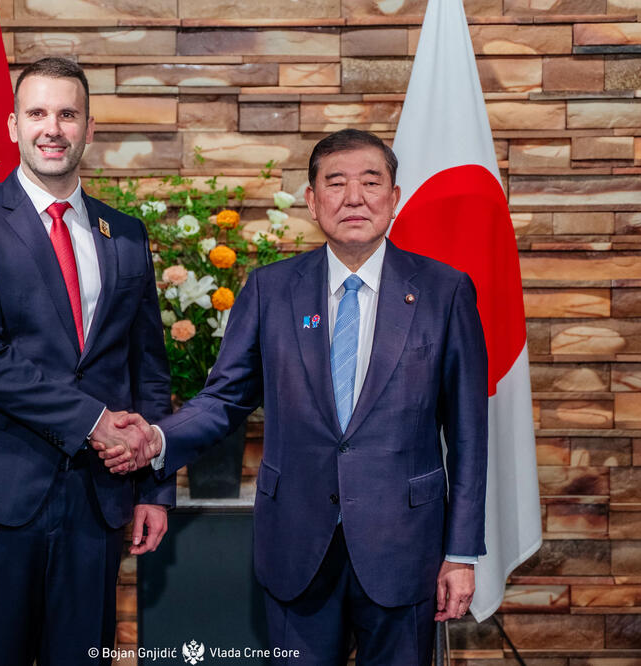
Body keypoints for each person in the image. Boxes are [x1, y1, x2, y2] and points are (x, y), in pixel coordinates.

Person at [99, 129, 487, 665]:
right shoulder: (270, 290)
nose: (355, 197)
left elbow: (468, 434)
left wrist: (461, 552)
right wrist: (158, 439)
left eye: (371, 182)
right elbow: (224, 400)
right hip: (297, 546)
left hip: (406, 548)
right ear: (312, 200)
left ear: (395, 197)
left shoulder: (446, 292)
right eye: (336, 183)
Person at [0, 56, 173, 665]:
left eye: (68, 113)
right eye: (37, 113)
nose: (52, 128)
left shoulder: (129, 235)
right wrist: (95, 423)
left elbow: (147, 368)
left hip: (98, 501)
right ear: (12, 126)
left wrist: (155, 489)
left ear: (90, 128)